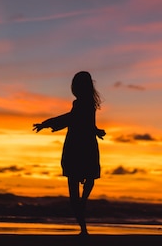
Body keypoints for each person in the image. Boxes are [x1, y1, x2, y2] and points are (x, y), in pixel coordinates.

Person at [33, 71, 106, 235]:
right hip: (87, 146)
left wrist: (47, 123)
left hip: (76, 147)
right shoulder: (89, 104)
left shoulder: (81, 104)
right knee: (90, 176)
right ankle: (84, 205)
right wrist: (97, 131)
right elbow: (86, 122)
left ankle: (83, 224)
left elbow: (71, 119)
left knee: (74, 188)